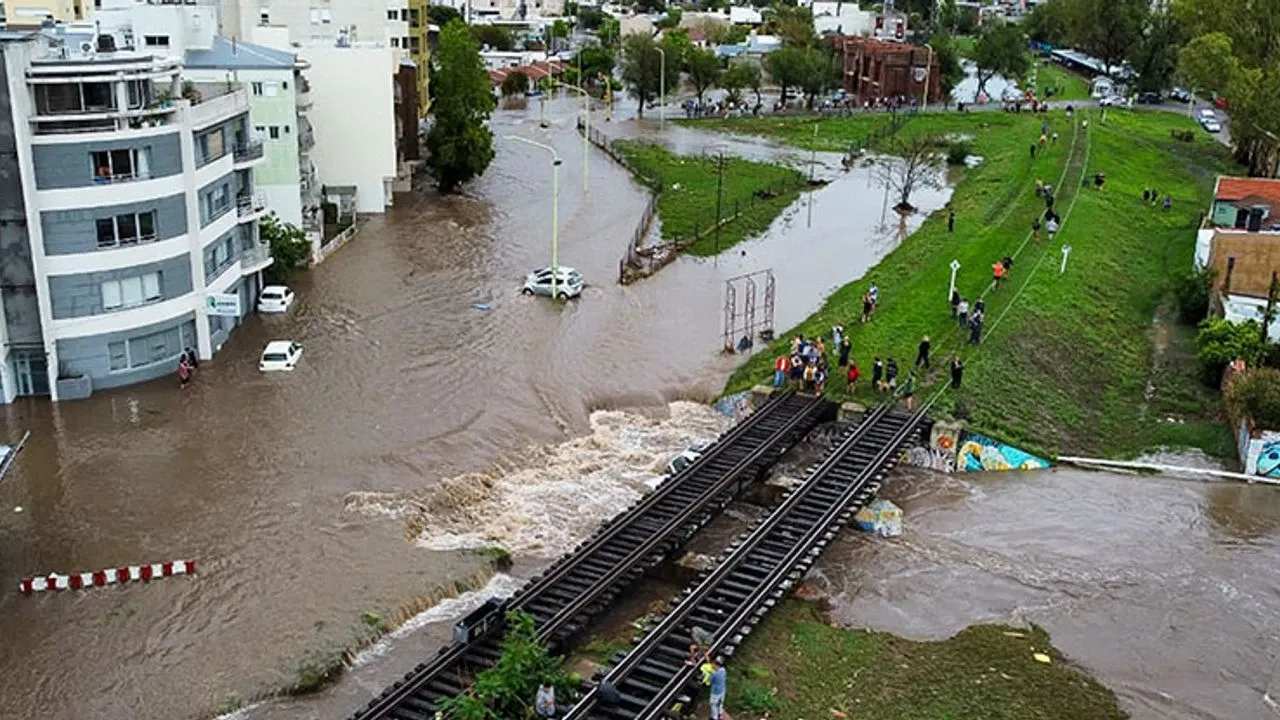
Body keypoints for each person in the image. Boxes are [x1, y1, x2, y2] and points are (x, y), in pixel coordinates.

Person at [708, 656, 727, 720]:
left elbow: (710, 681)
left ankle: (714, 718)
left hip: (715, 692)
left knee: (713, 705)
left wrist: (711, 673)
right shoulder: (723, 670)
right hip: (722, 690)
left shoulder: (714, 674)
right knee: (720, 704)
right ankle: (720, 715)